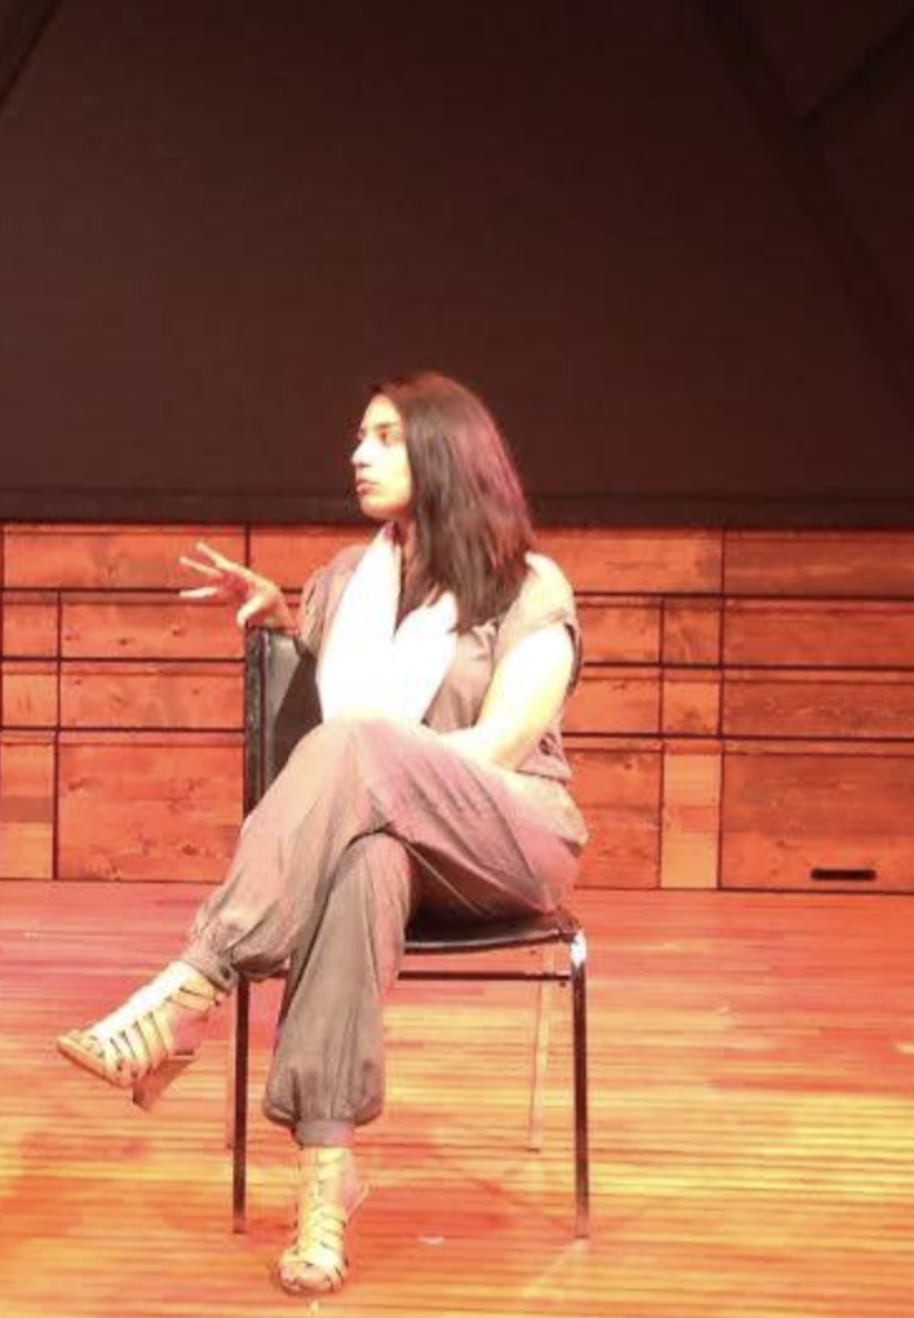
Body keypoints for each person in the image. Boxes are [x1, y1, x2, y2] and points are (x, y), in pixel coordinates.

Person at [57, 371, 586, 1295]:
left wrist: (380, 757)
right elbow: (340, 678)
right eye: (359, 436)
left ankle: (190, 990)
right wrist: (283, 616)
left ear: (444, 453)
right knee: (362, 865)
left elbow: (499, 741)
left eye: (383, 436)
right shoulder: (346, 580)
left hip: (507, 833)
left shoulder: (528, 585)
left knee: (359, 754)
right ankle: (326, 1180)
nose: (357, 453)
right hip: (397, 842)